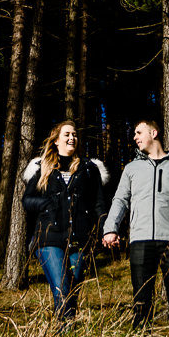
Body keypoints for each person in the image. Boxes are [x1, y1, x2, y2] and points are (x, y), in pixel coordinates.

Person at [101, 119, 169, 337]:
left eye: (138, 132)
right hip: (140, 240)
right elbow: (120, 200)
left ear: (153, 132)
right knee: (141, 299)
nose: (135, 137)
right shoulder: (131, 169)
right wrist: (111, 229)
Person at [21, 120, 110, 326]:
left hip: (80, 238)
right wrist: (47, 203)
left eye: (75, 135)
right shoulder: (42, 166)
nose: (72, 138)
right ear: (56, 140)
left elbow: (99, 203)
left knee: (72, 292)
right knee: (62, 289)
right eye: (67, 134)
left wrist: (107, 229)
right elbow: (27, 200)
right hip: (49, 237)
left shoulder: (89, 168)